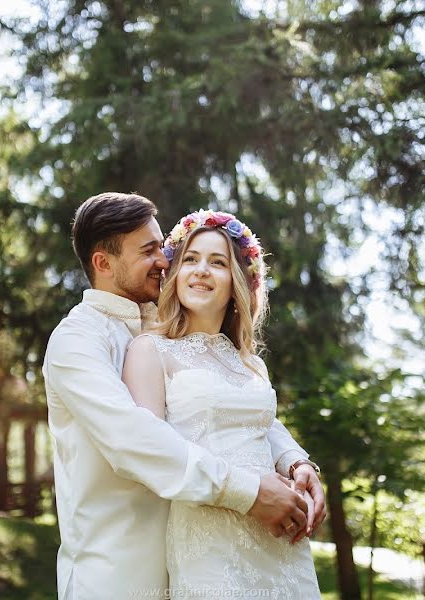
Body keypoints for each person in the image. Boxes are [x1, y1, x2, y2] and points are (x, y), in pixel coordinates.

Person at [42, 193, 325, 599]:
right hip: (119, 572)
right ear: (104, 264)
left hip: (205, 552)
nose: (165, 259)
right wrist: (249, 491)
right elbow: (133, 439)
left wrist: (295, 459)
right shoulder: (77, 341)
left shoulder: (167, 326)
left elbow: (230, 399)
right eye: (149, 251)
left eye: (162, 245)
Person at [123, 209, 321, 598]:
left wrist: (300, 464)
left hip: (279, 533)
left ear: (237, 283)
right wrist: (248, 494)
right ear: (175, 273)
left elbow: (265, 425)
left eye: (218, 263)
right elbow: (153, 451)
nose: (201, 271)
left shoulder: (250, 363)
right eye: (191, 260)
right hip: (210, 536)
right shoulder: (151, 350)